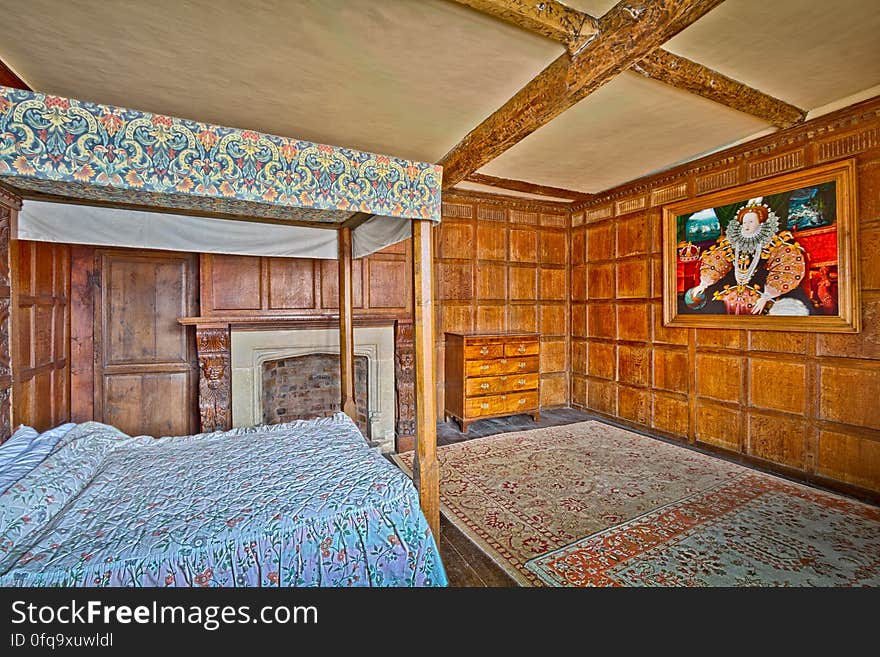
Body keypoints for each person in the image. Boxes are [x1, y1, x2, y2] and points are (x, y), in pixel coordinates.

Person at [683, 201, 808, 315]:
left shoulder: (773, 243)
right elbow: (718, 259)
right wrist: (704, 284)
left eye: (751, 222)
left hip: (762, 290)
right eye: (744, 222)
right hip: (731, 290)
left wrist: (767, 296)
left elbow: (785, 266)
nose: (746, 225)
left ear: (760, 223)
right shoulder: (732, 243)